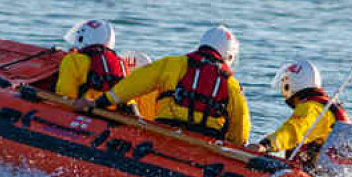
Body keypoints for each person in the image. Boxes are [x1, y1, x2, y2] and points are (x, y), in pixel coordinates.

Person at [73, 25, 251, 145]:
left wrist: (99, 103)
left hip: (165, 134)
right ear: (228, 55)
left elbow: (132, 85)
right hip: (206, 144)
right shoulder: (232, 84)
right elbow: (241, 131)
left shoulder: (172, 64)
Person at [252, 59, 350, 163]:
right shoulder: (323, 106)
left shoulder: (311, 108)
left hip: (311, 172)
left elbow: (293, 131)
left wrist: (265, 145)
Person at [56, 19, 155, 118]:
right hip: (116, 116)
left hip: (87, 112)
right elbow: (128, 97)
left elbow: (64, 96)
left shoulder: (72, 60)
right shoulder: (121, 62)